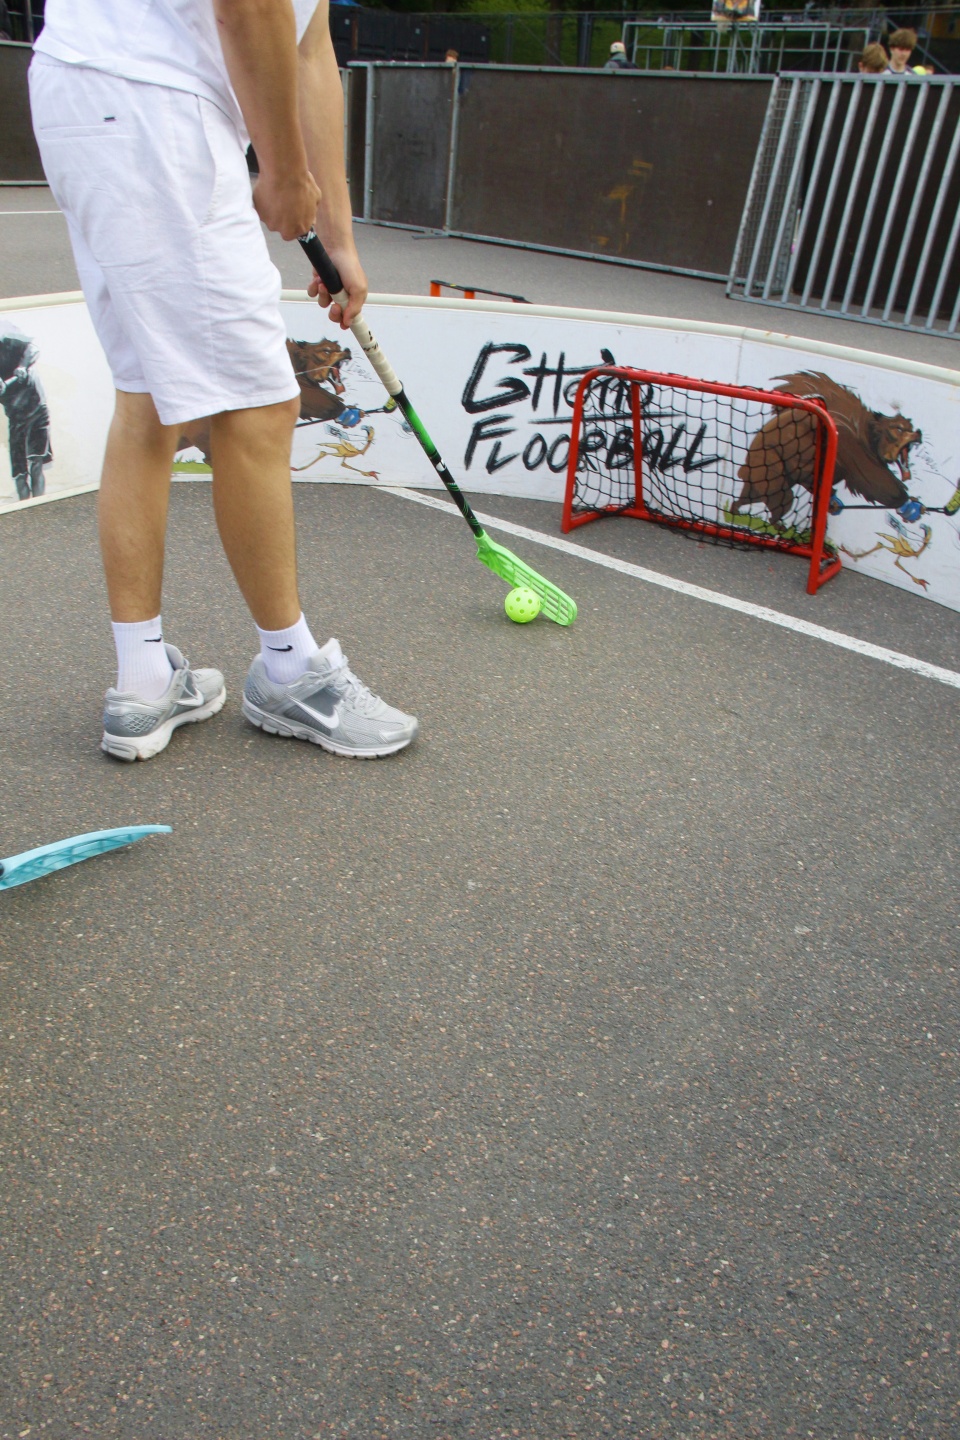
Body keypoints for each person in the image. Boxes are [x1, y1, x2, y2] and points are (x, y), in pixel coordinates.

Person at [29, 0, 418, 763]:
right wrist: (283, 171)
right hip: (156, 103)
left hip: (88, 84)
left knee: (148, 396)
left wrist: (337, 237)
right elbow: (251, 7)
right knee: (260, 405)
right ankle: (290, 672)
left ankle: (144, 681)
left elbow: (308, 50)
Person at [0, 324, 52, 501]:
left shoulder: (8, 344)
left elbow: (33, 349)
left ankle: (40, 505)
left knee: (36, 463)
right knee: (20, 474)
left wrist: (22, 366)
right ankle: (26, 507)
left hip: (36, 410)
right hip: (15, 419)